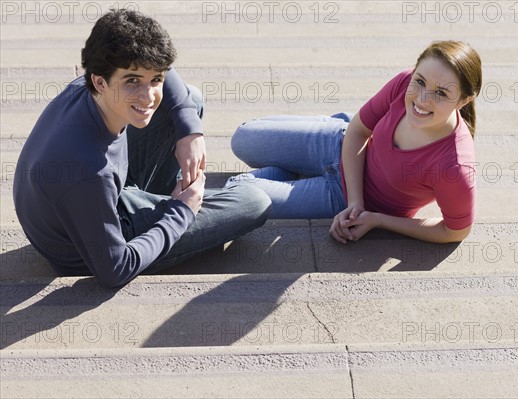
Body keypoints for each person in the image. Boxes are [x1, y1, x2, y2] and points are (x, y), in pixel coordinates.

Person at [13, 9, 271, 287]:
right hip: (92, 248)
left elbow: (164, 71)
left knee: (188, 101)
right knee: (254, 201)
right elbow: (115, 269)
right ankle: (168, 205)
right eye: (132, 81)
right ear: (100, 80)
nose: (147, 96)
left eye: (155, 80)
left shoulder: (88, 88)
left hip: (105, 194)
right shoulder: (89, 171)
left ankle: (160, 199)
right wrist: (181, 213)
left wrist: (190, 132)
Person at [227, 40, 481, 244]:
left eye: (441, 93)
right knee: (242, 139)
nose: (422, 99)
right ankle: (302, 162)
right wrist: (356, 202)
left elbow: (454, 231)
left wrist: (376, 219)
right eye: (421, 81)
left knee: (237, 189)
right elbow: (359, 130)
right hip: (341, 143)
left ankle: (294, 170)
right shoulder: (404, 82)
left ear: (463, 100)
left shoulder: (455, 167)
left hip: (339, 197)